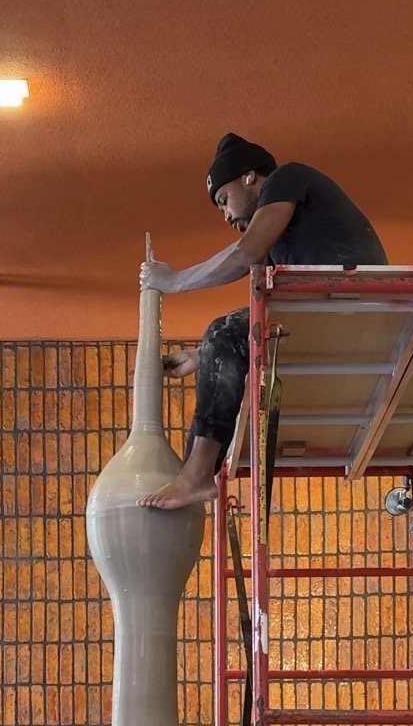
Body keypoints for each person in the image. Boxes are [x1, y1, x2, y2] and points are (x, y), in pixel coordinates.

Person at [138, 133, 387, 510]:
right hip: (330, 312)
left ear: (250, 177)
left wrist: (173, 281)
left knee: (222, 329)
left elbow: (243, 255)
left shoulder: (287, 177)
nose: (225, 214)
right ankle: (196, 473)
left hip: (356, 304)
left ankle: (196, 476)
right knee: (222, 335)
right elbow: (258, 322)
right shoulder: (283, 243)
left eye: (224, 200)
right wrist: (204, 355)